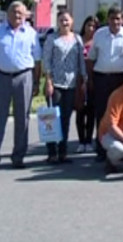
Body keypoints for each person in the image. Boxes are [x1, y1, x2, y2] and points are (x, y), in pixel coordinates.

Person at [0, 1, 42, 171]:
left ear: (26, 16)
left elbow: (37, 61)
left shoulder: (31, 34)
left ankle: (18, 157)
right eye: (14, 12)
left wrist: (36, 82)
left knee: (22, 119)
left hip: (24, 77)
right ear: (7, 14)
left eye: (21, 13)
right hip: (0, 78)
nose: (17, 16)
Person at [87, 6, 123, 161]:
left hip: (120, 78)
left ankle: (120, 147)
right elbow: (91, 58)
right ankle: (101, 148)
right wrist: (90, 79)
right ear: (108, 20)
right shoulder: (99, 34)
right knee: (102, 112)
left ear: (122, 20)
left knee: (120, 113)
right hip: (102, 77)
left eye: (118, 19)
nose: (115, 22)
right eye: (112, 18)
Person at [42, 10, 87, 164]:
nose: (64, 23)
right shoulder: (52, 39)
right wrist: (48, 81)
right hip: (56, 84)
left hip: (72, 84)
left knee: (66, 119)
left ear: (72, 22)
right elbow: (46, 61)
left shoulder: (77, 39)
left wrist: (84, 80)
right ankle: (52, 152)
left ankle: (63, 152)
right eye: (61, 20)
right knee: (53, 118)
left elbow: (81, 61)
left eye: (67, 20)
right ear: (58, 21)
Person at [76, 15, 99, 154]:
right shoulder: (78, 40)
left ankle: (89, 141)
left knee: (91, 111)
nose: (91, 28)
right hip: (79, 79)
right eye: (89, 25)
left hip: (93, 79)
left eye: (94, 26)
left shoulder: (97, 42)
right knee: (80, 111)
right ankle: (81, 141)